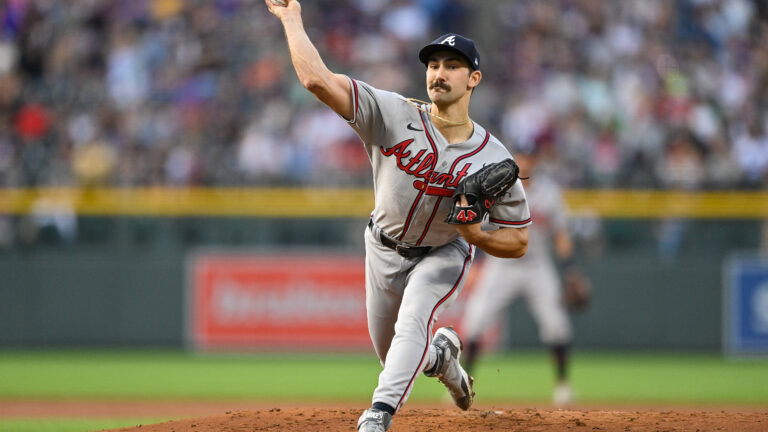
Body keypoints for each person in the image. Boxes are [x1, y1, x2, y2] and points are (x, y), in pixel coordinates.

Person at [265, 1, 531, 431]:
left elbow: (519, 241)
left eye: (452, 66)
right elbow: (316, 80)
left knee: (412, 326)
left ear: (474, 79)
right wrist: (291, 18)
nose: (439, 73)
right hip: (382, 247)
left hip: (443, 253)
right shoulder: (392, 112)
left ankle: (378, 415)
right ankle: (441, 358)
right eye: (433, 64)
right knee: (397, 354)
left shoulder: (492, 158)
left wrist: (477, 236)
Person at [459, 142, 587, 406]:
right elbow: (474, 228)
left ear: (537, 160)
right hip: (500, 266)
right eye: (521, 157)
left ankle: (562, 387)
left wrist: (571, 270)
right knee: (474, 323)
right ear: (513, 159)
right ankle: (462, 387)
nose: (526, 162)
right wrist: (472, 265)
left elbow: (561, 235)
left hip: (537, 267)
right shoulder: (494, 187)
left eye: (530, 157)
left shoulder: (549, 193)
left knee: (557, 326)